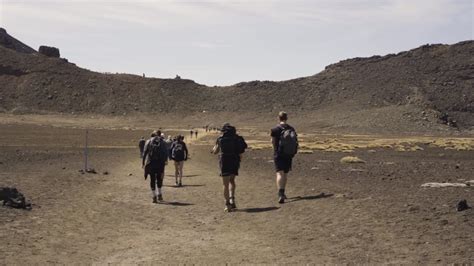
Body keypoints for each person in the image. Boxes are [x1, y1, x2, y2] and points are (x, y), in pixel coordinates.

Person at [212, 123, 247, 212]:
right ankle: (232, 199)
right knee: (232, 181)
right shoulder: (237, 139)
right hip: (234, 161)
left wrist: (214, 149)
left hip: (224, 161)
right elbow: (241, 152)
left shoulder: (220, 139)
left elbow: (215, 151)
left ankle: (227, 204)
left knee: (225, 184)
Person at [271, 111, 298, 204]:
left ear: (278, 118)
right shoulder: (291, 128)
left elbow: (273, 142)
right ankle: (283, 192)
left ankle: (280, 193)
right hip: (288, 154)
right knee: (285, 173)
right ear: (286, 118)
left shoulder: (275, 129)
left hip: (278, 154)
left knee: (279, 173)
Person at [142, 130, 168, 203]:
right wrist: (165, 161)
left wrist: (143, 163)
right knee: (159, 178)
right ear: (160, 135)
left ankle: (154, 196)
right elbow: (166, 153)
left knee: (152, 179)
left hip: (151, 163)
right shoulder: (163, 142)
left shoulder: (148, 141)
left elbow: (144, 153)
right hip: (160, 163)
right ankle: (159, 194)